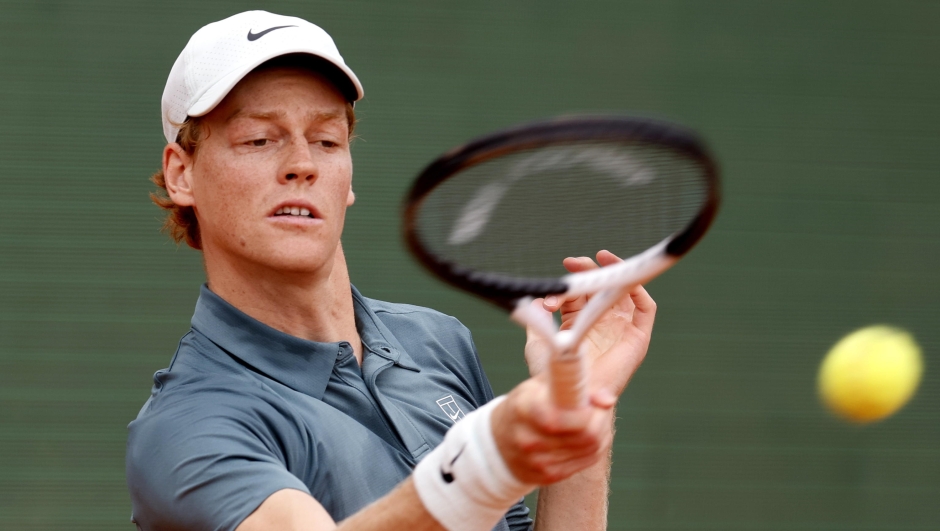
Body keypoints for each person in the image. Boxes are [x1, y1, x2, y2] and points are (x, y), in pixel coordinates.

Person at [126, 10, 656, 531]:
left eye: (327, 141)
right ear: (182, 175)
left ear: (348, 179)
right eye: (260, 139)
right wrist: (480, 469)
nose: (302, 163)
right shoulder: (184, 429)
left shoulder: (437, 341)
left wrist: (586, 407)